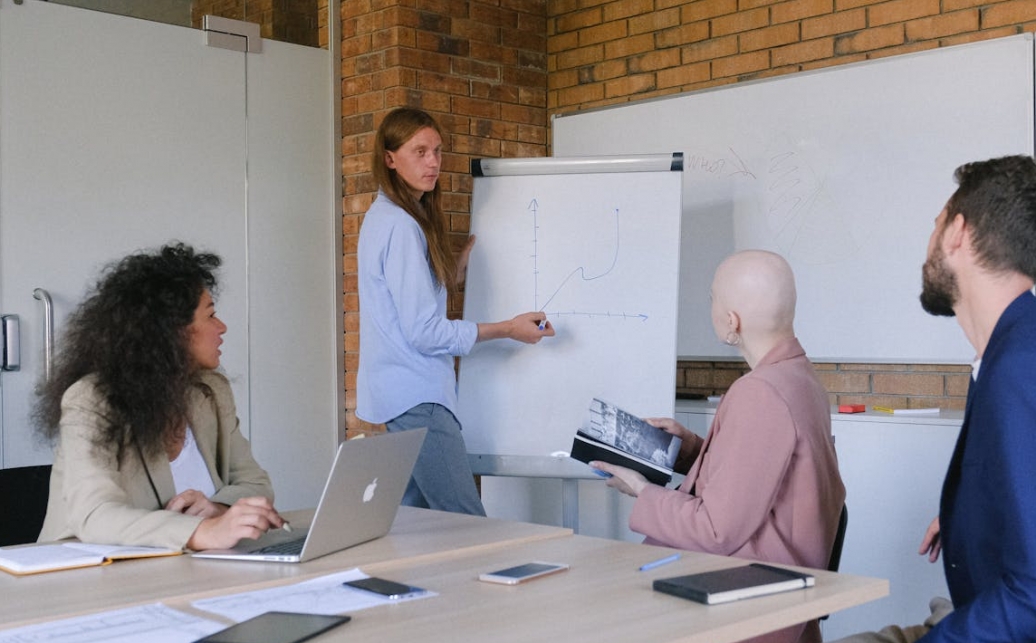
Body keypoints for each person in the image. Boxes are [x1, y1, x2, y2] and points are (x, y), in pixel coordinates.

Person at [591, 249, 845, 643]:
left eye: (712, 298)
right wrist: (691, 449)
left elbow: (715, 531)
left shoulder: (759, 392)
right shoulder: (799, 378)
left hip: (744, 604)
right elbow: (763, 475)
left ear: (732, 322)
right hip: (782, 593)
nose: (710, 307)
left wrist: (641, 490)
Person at [833, 156, 1036, 643]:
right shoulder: (1007, 352)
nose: (927, 247)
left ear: (957, 233)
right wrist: (969, 513)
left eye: (935, 226)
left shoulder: (1018, 366)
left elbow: (1032, 596)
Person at [356, 107, 554, 516]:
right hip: (419, 397)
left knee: (414, 526)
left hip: (400, 397)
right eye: (420, 151)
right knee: (468, 524)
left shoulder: (383, 218)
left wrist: (450, 276)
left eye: (437, 152)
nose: (433, 163)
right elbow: (424, 333)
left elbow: (400, 308)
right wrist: (508, 329)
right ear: (390, 158)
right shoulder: (401, 226)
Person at [36, 243, 287, 551]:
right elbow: (95, 515)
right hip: (83, 579)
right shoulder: (91, 400)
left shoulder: (211, 392)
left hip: (184, 570)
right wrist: (201, 531)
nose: (222, 327)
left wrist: (217, 509)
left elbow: (258, 485)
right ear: (171, 331)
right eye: (211, 316)